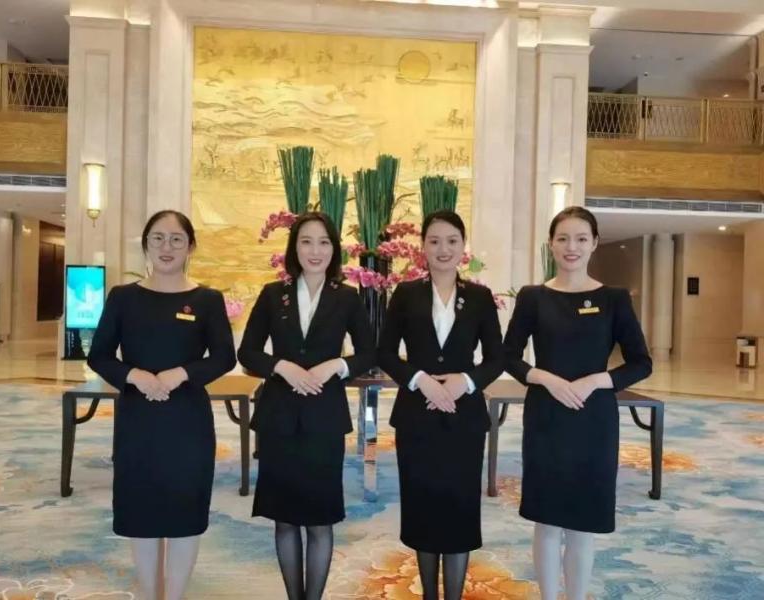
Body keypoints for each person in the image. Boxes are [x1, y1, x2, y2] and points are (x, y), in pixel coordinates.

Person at [503, 206, 652, 600]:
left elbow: (641, 363)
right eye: (563, 238)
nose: (572, 247)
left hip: (594, 420)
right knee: (547, 520)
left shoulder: (614, 299)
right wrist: (546, 378)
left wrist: (597, 381)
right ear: (551, 244)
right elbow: (508, 357)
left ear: (594, 243)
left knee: (584, 524)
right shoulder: (533, 297)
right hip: (547, 417)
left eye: (581, 238)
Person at [87, 210, 236, 600]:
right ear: (146, 244)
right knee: (142, 512)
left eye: (176, 239)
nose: (166, 247)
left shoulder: (207, 299)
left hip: (187, 420)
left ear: (190, 246)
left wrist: (180, 374)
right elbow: (99, 355)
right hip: (138, 420)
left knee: (185, 511)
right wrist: (135, 376)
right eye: (157, 238)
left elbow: (224, 357)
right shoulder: (123, 297)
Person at [238, 211, 375, 600]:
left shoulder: (347, 297)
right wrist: (281, 366)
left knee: (319, 520)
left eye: (324, 242)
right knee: (284, 520)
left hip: (324, 419)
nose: (315, 251)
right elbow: (247, 351)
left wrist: (336, 366)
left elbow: (369, 353)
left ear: (334, 249)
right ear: (294, 248)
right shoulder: (272, 294)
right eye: (306, 241)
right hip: (279, 418)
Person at [378, 210, 503, 600]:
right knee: (423, 508)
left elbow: (497, 358)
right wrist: (421, 381)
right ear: (423, 247)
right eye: (434, 241)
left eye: (452, 241)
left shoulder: (480, 297)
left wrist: (466, 382)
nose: (443, 249)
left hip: (464, 419)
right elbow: (385, 353)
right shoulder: (406, 294)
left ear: (463, 246)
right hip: (416, 417)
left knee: (459, 509)